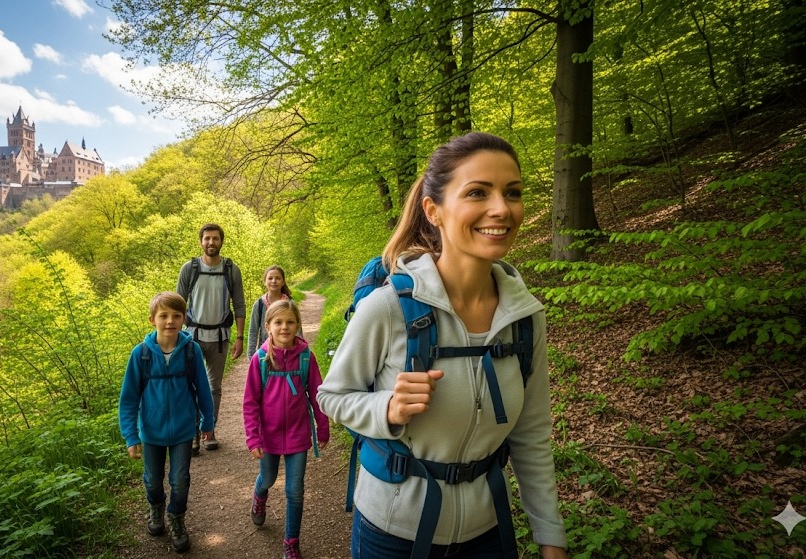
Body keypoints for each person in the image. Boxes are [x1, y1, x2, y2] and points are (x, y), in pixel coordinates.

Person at [316, 132, 568, 559]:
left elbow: (532, 435)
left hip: (488, 532)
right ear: (434, 211)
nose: (502, 209)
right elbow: (332, 397)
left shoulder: (525, 318)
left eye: (513, 192)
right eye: (477, 192)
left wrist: (550, 537)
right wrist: (387, 410)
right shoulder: (388, 307)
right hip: (392, 531)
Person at [118, 291, 215, 553]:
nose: (170, 321)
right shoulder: (141, 355)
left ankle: (176, 517)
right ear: (152, 320)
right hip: (151, 432)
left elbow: (203, 390)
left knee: (180, 480)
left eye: (176, 315)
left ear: (184, 318)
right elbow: (128, 398)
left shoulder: (191, 351)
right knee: (152, 480)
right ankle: (156, 506)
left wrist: (208, 421)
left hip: (184, 429)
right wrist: (130, 436)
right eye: (163, 316)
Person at [243, 299, 330, 559]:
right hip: (267, 436)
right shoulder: (260, 360)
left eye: (290, 322)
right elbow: (250, 402)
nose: (285, 327)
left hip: (297, 434)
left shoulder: (305, 357)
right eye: (278, 322)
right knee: (268, 478)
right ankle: (260, 496)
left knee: (295, 490)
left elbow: (317, 395)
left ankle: (291, 541)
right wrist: (253, 437)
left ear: (297, 325)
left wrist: (322, 427)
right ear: (268, 326)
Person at [176, 223, 246, 452]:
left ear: (221, 241)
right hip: (191, 337)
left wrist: (240, 338)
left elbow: (239, 304)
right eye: (207, 239)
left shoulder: (231, 269)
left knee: (214, 387)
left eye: (215, 238)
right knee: (190, 386)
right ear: (201, 242)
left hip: (220, 337)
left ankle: (210, 431)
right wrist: (173, 337)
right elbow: (178, 304)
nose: (211, 243)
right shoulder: (189, 268)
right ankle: (193, 433)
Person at [246, 265, 300, 358]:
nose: (274, 281)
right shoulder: (259, 304)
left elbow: (298, 329)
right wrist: (251, 355)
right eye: (270, 278)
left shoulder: (290, 303)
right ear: (265, 282)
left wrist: (299, 351)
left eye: (278, 278)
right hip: (265, 353)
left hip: (288, 352)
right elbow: (253, 331)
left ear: (283, 282)